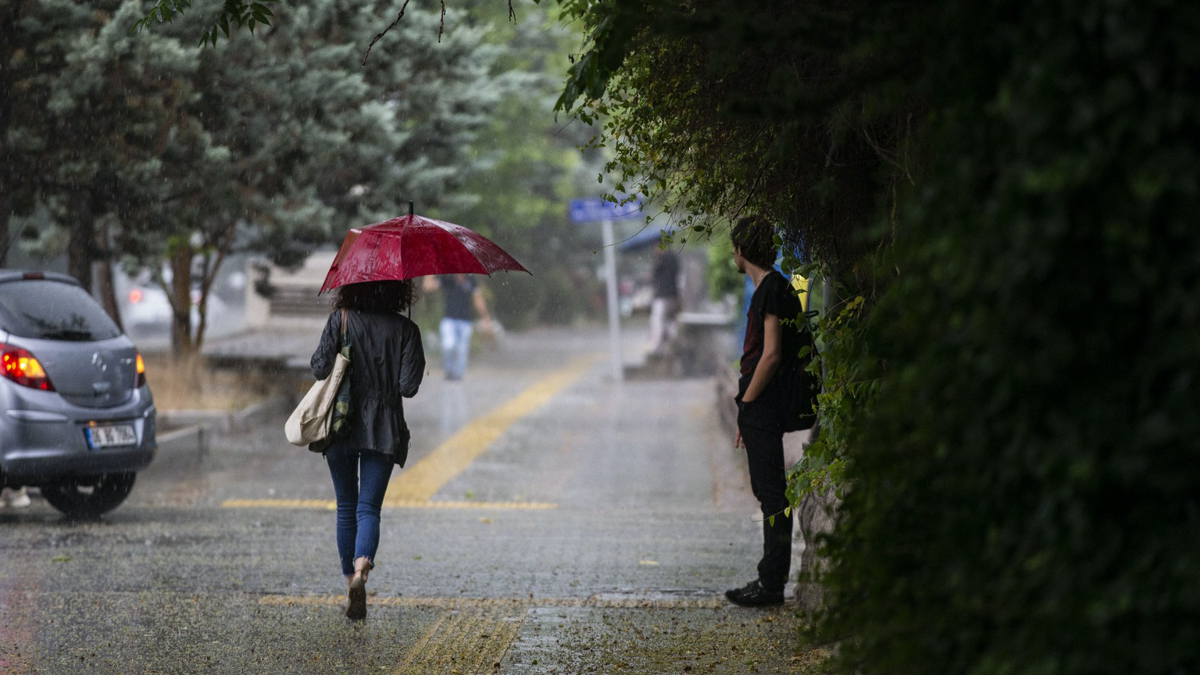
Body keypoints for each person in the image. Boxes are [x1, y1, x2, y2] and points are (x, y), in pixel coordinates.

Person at [310, 279, 425, 621]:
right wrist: (406, 342)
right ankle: (363, 568)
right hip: (384, 427)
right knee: (368, 508)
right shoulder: (406, 328)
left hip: (340, 423)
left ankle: (350, 584)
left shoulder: (340, 319)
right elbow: (408, 387)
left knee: (346, 506)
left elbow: (318, 368)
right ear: (398, 292)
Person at [725, 216, 804, 607]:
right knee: (768, 493)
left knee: (772, 496)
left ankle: (771, 582)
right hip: (760, 406)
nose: (732, 254)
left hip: (764, 403)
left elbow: (770, 355)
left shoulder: (772, 289)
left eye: (733, 247)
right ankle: (771, 578)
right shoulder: (771, 289)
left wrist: (748, 402)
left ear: (742, 250)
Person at [423, 274, 492, 381]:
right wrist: (429, 272)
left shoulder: (470, 280)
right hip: (449, 319)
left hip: (465, 320)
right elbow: (427, 287)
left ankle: (458, 374)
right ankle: (449, 370)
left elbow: (477, 299)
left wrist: (485, 318)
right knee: (448, 345)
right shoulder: (446, 279)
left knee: (462, 349)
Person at [646, 247, 681, 355]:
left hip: (662, 295)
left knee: (658, 320)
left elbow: (654, 276)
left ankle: (657, 347)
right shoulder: (674, 258)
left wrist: (655, 263)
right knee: (670, 321)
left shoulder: (660, 259)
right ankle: (675, 344)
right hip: (673, 295)